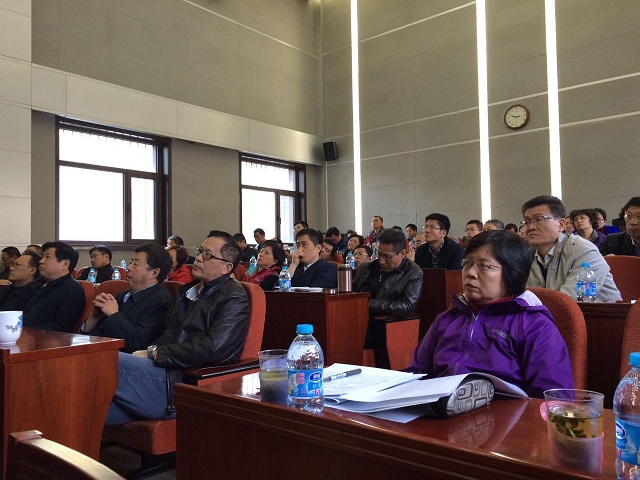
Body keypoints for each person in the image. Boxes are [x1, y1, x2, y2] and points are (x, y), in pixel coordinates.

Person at [105, 230, 250, 424]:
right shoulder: (189, 291)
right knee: (84, 404)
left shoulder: (233, 296)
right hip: (160, 370)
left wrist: (154, 353)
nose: (198, 258)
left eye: (207, 255)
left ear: (226, 267)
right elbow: (165, 334)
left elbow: (213, 347)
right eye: (200, 251)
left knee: (101, 361)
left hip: (177, 381)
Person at [408, 230, 574, 398]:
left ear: (512, 273)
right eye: (467, 263)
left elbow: (556, 399)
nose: (470, 273)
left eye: (484, 266)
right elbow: (416, 374)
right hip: (441, 410)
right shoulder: (448, 318)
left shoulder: (534, 325)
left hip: (505, 413)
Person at [521, 195, 621, 302]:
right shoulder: (527, 256)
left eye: (539, 219)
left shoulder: (585, 251)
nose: (531, 227)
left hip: (599, 312)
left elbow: (575, 300)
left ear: (561, 224)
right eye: (527, 222)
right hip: (549, 311)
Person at [83, 244, 174, 353]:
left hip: (121, 358)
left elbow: (136, 344)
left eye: (136, 264)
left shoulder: (161, 301)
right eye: (131, 262)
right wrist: (94, 316)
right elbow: (87, 337)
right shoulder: (121, 295)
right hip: (95, 351)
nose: (128, 268)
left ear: (154, 273)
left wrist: (113, 314)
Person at [354, 228, 424, 369]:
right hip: (356, 319)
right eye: (378, 254)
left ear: (402, 253)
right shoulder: (366, 268)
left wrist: (367, 305)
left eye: (387, 257)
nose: (381, 261)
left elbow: (407, 306)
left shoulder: (413, 272)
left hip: (383, 325)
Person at [22, 241, 85, 332]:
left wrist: (25, 331)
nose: (41, 261)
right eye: (42, 257)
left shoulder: (72, 290)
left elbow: (62, 327)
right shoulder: (33, 285)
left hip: (41, 338)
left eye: (47, 257)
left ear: (65, 264)